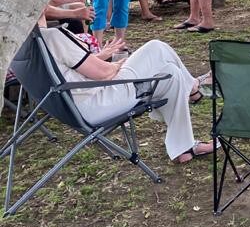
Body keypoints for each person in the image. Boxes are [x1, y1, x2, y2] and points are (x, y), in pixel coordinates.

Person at [38, 21, 214, 163]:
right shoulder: (52, 36)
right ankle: (193, 86)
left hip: (73, 106)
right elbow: (104, 73)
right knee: (156, 47)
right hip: (98, 101)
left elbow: (69, 71)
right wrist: (118, 63)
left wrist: (103, 57)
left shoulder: (30, 41)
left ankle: (183, 148)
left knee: (171, 74)